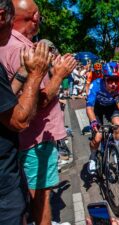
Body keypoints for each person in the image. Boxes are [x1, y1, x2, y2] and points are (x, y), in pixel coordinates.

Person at [0, 1, 77, 224]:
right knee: (41, 197)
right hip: (36, 138)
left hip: (22, 142)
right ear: (34, 18)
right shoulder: (20, 49)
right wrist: (59, 75)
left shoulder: (11, 45)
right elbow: (37, 101)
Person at [0, 1, 51, 224]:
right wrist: (41, 74)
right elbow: (18, 119)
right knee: (39, 196)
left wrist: (22, 73)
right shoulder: (21, 48)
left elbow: (4, 100)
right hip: (6, 182)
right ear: (2, 16)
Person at [86, 63, 119, 175]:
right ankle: (93, 157)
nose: (114, 84)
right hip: (97, 108)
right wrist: (93, 121)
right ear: (104, 78)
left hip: (111, 107)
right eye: (110, 80)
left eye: (116, 80)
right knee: (97, 137)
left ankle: (115, 149)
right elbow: (89, 107)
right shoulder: (95, 84)